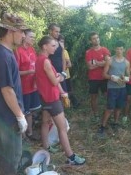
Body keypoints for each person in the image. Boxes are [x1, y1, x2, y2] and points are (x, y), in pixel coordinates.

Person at [0, 13, 28, 175]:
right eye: (21, 31)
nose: (24, 35)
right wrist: (20, 116)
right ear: (11, 31)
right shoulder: (2, 55)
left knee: (3, 153)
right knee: (12, 157)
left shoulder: (3, 51)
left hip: (3, 113)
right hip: (7, 115)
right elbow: (7, 90)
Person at [35, 36, 86, 165]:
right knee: (62, 128)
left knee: (45, 123)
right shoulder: (46, 61)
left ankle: (46, 147)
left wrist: (61, 88)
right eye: (53, 45)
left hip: (44, 97)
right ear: (44, 46)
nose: (55, 48)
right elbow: (54, 81)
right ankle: (71, 157)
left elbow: (46, 78)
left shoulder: (39, 59)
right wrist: (62, 76)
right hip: (52, 99)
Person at [98, 40, 130, 137]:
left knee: (119, 107)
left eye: (121, 49)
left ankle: (115, 123)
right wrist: (113, 78)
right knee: (110, 108)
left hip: (122, 88)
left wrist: (125, 79)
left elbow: (129, 76)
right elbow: (104, 74)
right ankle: (102, 126)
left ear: (124, 49)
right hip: (112, 88)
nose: (119, 51)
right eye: (117, 49)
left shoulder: (127, 62)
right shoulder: (110, 60)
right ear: (114, 49)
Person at [14, 29, 41, 140]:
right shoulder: (18, 51)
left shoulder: (32, 49)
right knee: (23, 112)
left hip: (33, 86)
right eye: (31, 37)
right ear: (24, 36)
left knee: (30, 111)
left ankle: (30, 133)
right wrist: (29, 72)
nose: (33, 39)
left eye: (34, 37)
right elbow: (15, 72)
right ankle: (23, 136)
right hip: (23, 87)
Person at [85, 32, 111, 122]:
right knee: (93, 97)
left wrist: (96, 63)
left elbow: (108, 62)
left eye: (97, 38)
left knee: (108, 95)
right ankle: (96, 114)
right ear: (90, 41)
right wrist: (102, 63)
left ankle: (107, 112)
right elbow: (89, 67)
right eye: (94, 38)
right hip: (93, 78)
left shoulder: (104, 50)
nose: (96, 40)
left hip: (104, 77)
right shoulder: (88, 52)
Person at [59, 34, 80, 108]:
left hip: (66, 75)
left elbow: (69, 64)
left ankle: (73, 103)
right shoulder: (53, 51)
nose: (62, 43)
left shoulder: (64, 52)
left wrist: (62, 69)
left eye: (63, 42)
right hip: (58, 76)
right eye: (60, 41)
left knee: (69, 90)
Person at [48, 23, 67, 92]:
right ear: (50, 31)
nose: (58, 33)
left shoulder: (60, 43)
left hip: (61, 73)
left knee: (64, 95)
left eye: (59, 32)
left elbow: (63, 59)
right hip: (51, 74)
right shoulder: (46, 43)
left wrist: (64, 73)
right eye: (56, 31)